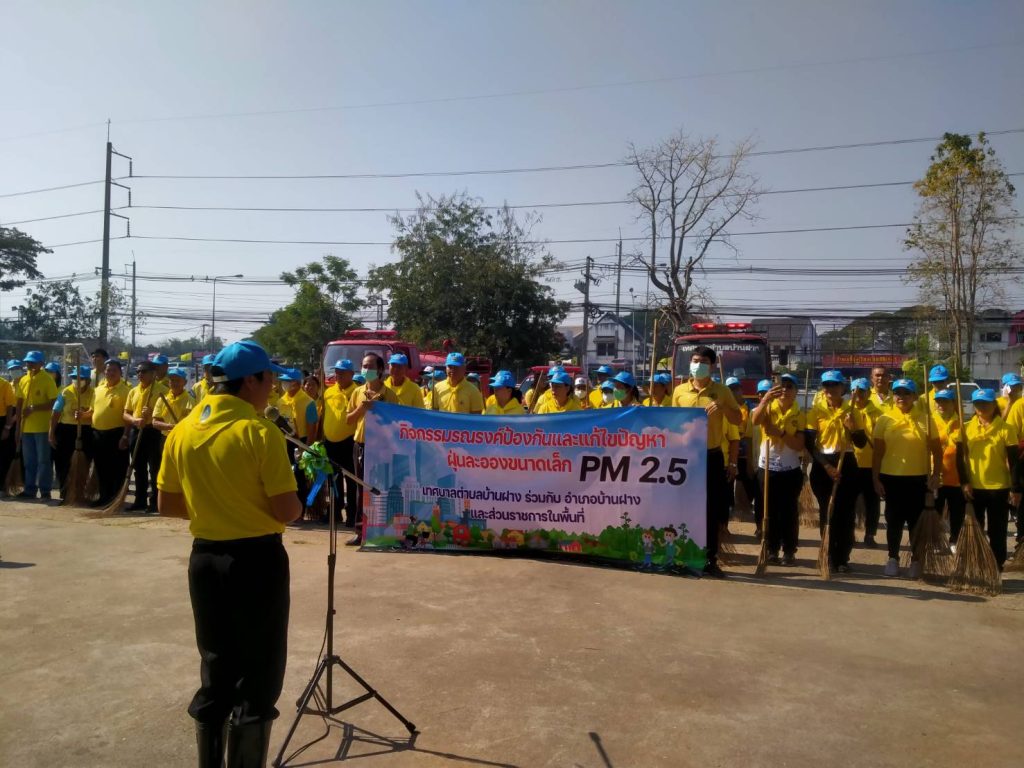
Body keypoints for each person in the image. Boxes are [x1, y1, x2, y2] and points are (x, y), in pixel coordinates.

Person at [157, 339, 301, 768]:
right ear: (250, 381)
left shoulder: (182, 431)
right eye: (269, 378)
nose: (273, 386)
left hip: (204, 560)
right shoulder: (260, 432)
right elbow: (287, 511)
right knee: (258, 671)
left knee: (216, 664)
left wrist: (216, 508)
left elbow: (167, 504)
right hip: (256, 561)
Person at [671, 346, 742, 577]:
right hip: (685, 457)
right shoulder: (679, 391)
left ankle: (710, 559)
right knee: (684, 507)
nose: (697, 365)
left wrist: (723, 407)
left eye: (703, 362)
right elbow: (672, 423)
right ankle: (683, 556)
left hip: (711, 456)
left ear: (712, 365)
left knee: (711, 509)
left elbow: (737, 419)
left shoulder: (722, 391)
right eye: (694, 360)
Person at [872, 378, 942, 578]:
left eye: (906, 393)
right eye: (897, 393)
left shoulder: (926, 419)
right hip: (891, 477)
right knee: (893, 520)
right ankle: (892, 558)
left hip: (918, 478)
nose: (901, 397)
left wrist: (936, 474)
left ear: (914, 396)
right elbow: (877, 453)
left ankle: (916, 560)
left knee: (915, 523)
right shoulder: (885, 419)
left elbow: (937, 451)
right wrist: (875, 479)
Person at [805, 371, 866, 572]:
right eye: (827, 385)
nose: (830, 389)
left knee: (846, 513)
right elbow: (809, 444)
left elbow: (861, 443)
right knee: (828, 511)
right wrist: (827, 466)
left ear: (842, 387)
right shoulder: (815, 411)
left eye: (834, 384)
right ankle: (829, 555)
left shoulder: (852, 410)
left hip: (846, 461)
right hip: (823, 464)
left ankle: (843, 558)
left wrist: (853, 427)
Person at [958, 389, 1022, 569]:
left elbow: (1014, 462)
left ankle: (996, 566)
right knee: (975, 530)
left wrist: (1015, 488)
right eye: (978, 403)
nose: (982, 407)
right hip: (973, 488)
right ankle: (978, 565)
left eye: (986, 403)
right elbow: (959, 459)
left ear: (994, 405)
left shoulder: (1006, 429)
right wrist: (964, 482)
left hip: (999, 488)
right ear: (974, 406)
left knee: (998, 531)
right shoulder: (965, 428)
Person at [751, 373, 806, 566]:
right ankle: (771, 548)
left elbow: (799, 445)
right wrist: (765, 399)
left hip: (790, 470)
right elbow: (755, 420)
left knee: (789, 512)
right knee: (769, 511)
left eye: (790, 386)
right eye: (782, 386)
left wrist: (781, 433)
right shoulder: (768, 407)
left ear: (796, 391)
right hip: (767, 467)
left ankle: (789, 550)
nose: (785, 390)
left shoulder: (800, 415)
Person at [346, 353, 398, 546]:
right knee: (361, 490)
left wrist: (377, 408)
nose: (366, 370)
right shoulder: (357, 392)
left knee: (381, 489)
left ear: (380, 370)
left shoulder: (390, 395)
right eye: (364, 366)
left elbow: (395, 423)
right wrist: (362, 408)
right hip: (360, 445)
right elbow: (348, 419)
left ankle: (382, 531)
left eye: (370, 366)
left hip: (380, 447)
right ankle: (360, 532)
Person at [123, 361, 167, 512]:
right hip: (137, 430)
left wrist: (152, 412)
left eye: (144, 371)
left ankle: (155, 502)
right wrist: (135, 420)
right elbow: (126, 413)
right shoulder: (133, 391)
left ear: (153, 374)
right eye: (138, 372)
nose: (140, 374)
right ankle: (140, 500)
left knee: (154, 468)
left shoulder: (162, 391)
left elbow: (166, 414)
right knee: (138, 467)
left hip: (153, 431)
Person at [16, 350, 59, 500]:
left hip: (42, 427)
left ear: (41, 363)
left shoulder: (47, 379)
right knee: (29, 462)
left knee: (43, 461)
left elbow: (53, 403)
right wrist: (18, 426)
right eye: (28, 361)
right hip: (26, 427)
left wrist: (35, 408)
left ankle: (45, 490)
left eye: (33, 362)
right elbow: (19, 402)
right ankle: (29, 489)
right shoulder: (23, 380)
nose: (30, 364)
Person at [322, 360, 360, 529]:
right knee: (333, 479)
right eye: (337, 372)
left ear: (351, 374)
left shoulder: (357, 392)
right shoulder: (329, 391)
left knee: (351, 481)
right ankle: (335, 511)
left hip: (349, 441)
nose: (338, 375)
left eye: (343, 372)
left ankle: (352, 515)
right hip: (330, 442)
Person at [848, 378, 885, 547]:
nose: (858, 395)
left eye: (861, 391)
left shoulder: (878, 413)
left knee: (872, 502)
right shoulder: (847, 411)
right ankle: (849, 532)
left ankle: (870, 534)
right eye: (854, 391)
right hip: (851, 463)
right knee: (849, 501)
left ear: (869, 393)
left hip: (871, 464)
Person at [48, 365, 94, 499]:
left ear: (88, 380)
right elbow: (56, 413)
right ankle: (65, 493)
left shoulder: (94, 393)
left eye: (81, 378)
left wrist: (84, 415)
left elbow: (94, 411)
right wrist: (51, 432)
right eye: (74, 377)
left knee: (83, 463)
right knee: (63, 463)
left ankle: (80, 492)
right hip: (65, 430)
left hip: (85, 431)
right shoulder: (65, 392)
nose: (77, 380)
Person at [91, 360, 131, 507]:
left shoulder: (126, 391)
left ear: (120, 372)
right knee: (101, 467)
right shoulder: (98, 389)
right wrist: (82, 415)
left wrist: (125, 435)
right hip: (98, 433)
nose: (110, 373)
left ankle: (115, 499)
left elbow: (129, 415)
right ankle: (104, 496)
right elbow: (92, 411)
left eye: (114, 370)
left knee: (117, 468)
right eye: (108, 370)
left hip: (117, 433)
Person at [278, 369, 319, 509]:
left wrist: (305, 450)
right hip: (284, 442)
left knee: (299, 478)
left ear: (295, 383)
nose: (283, 384)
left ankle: (300, 510)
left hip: (301, 442)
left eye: (287, 381)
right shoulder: (281, 401)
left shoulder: (308, 402)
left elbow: (312, 429)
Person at [931, 389, 966, 543]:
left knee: (957, 511)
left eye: (945, 401)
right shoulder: (929, 422)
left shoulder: (962, 423)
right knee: (935, 510)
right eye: (938, 401)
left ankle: (954, 539)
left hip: (955, 476)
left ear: (953, 403)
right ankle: (936, 539)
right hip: (935, 475)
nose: (941, 404)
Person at [748, 379, 772, 538]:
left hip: (776, 464)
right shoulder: (754, 413)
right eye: (762, 394)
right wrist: (750, 463)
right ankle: (759, 527)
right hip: (759, 463)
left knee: (773, 500)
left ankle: (772, 529)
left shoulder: (778, 412)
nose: (765, 396)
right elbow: (749, 439)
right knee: (759, 499)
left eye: (768, 393)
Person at [153, 368, 195, 432]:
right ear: (169, 382)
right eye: (172, 380)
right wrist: (171, 427)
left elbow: (193, 423)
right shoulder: (162, 399)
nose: (175, 383)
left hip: (182, 435)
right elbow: (155, 422)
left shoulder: (190, 401)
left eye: (178, 380)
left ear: (185, 382)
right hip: (165, 436)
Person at [0, 367, 17, 491]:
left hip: (2, 420)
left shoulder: (4, 384)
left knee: (3, 455)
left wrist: (7, 427)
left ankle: (2, 485)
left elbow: (10, 406)